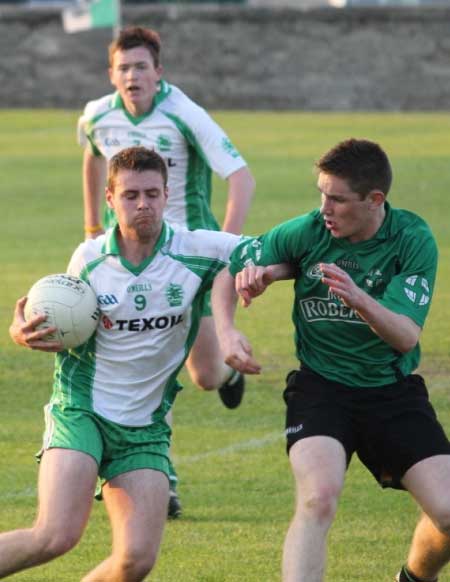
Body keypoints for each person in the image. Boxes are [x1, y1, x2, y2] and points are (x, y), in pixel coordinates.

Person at [211, 138, 450, 582]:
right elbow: (231, 267)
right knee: (318, 497)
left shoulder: (412, 240)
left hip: (391, 391)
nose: (325, 208)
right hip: (321, 390)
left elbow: (404, 336)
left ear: (374, 200)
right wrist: (228, 332)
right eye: (322, 194)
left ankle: (415, 577)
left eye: (337, 199)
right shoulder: (310, 229)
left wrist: (358, 298)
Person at [3, 147, 246, 581]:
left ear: (166, 195)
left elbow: (266, 252)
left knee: (136, 560)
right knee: (55, 534)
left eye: (153, 194)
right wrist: (20, 332)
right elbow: (57, 320)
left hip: (145, 426)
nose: (143, 204)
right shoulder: (89, 259)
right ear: (110, 199)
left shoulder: (196, 249)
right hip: (82, 411)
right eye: (131, 195)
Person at [78, 26, 256, 515]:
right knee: (144, 361)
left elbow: (241, 177)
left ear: (159, 72)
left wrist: (227, 248)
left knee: (203, 375)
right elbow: (93, 157)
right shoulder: (97, 115)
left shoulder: (185, 114)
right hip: (130, 256)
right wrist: (94, 223)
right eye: (123, 68)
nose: (132, 76)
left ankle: (225, 375)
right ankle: (160, 483)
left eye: (141, 67)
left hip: (187, 259)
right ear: (111, 73)